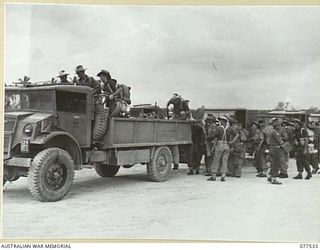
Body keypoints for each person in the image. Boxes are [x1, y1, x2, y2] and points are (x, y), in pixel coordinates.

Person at [207, 116, 235, 182]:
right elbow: (236, 135)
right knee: (225, 160)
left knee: (216, 160)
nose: (220, 121)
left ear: (224, 121)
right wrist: (232, 142)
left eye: (221, 120)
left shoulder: (219, 128)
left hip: (220, 144)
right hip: (227, 144)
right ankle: (223, 175)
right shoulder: (230, 129)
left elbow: (216, 138)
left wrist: (213, 147)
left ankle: (214, 175)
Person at [267, 118, 286, 185]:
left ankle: (270, 176)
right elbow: (280, 141)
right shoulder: (275, 132)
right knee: (276, 164)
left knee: (273, 164)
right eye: (279, 125)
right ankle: (273, 178)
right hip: (276, 149)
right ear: (276, 126)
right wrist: (285, 146)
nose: (280, 126)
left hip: (273, 148)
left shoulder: (273, 131)